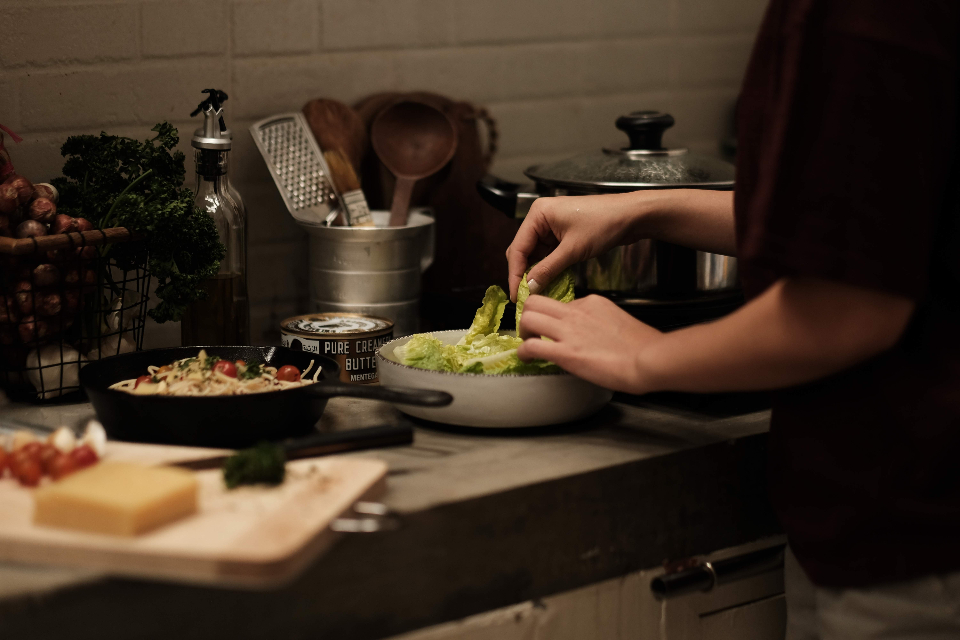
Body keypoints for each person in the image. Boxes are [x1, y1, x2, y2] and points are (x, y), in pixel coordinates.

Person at [506, 1, 959, 638]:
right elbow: (872, 224)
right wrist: (646, 211)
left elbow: (848, 305)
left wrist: (644, 356)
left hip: (917, 535)